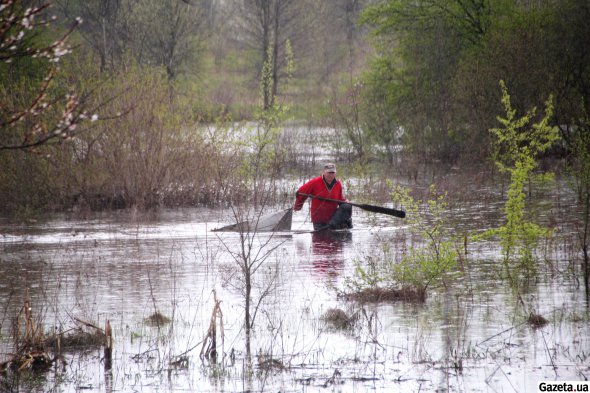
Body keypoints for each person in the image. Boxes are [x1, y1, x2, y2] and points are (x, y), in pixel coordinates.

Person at [293, 163, 353, 230]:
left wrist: (345, 202)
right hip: (319, 220)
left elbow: (340, 199)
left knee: (347, 206)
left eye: (332, 172)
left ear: (335, 173)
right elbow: (300, 192)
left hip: (332, 219)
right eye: (329, 172)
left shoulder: (338, 183)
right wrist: (297, 207)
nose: (331, 174)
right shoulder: (315, 182)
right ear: (324, 172)